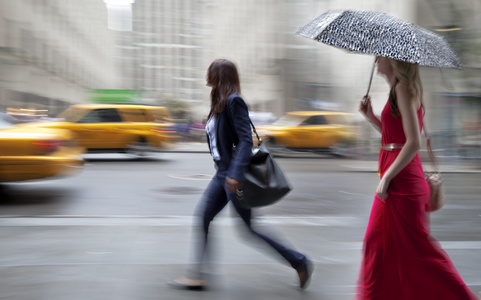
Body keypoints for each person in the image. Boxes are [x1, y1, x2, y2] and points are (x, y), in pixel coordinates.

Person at [168, 58, 313, 290]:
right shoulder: (220, 103)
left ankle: (299, 261)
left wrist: (235, 174)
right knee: (205, 218)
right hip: (222, 174)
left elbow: (245, 141)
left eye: (210, 71)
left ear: (219, 75)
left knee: (247, 229)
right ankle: (198, 276)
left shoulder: (234, 101)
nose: (207, 75)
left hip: (232, 176)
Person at [356, 56, 477, 299]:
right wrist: (370, 117)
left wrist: (387, 178)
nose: (377, 59)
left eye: (382, 55)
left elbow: (413, 142)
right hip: (400, 178)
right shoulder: (397, 90)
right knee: (385, 246)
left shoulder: (402, 88)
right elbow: (395, 136)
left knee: (412, 251)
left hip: (402, 182)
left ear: (395, 60)